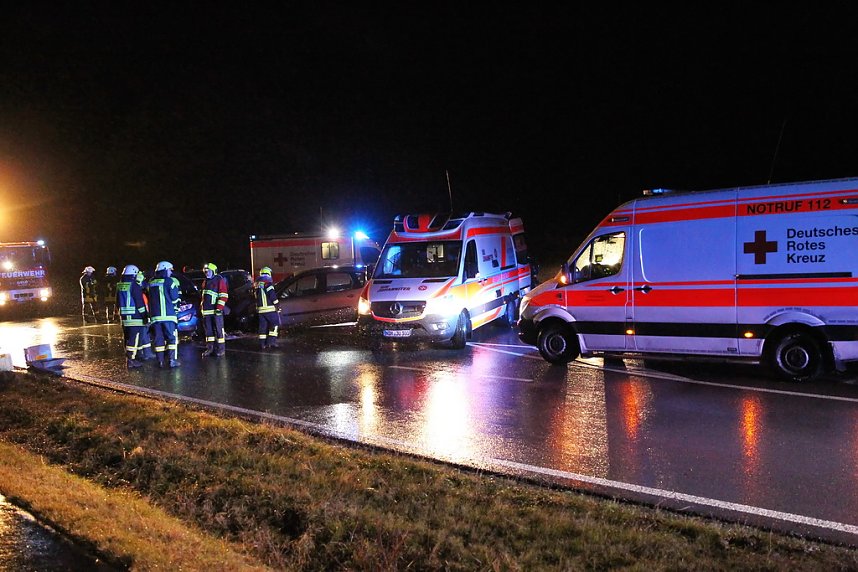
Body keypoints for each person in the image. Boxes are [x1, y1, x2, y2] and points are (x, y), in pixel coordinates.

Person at [147, 260, 182, 368]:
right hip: (168, 316)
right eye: (169, 270)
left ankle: (160, 362)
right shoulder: (170, 282)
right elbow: (175, 299)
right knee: (171, 338)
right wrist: (176, 312)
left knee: (158, 339)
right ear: (165, 270)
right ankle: (171, 361)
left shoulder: (151, 282)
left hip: (155, 318)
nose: (171, 273)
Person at [116, 265, 148, 368]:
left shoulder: (120, 285)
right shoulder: (134, 285)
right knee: (134, 339)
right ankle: (131, 360)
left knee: (127, 338)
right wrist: (145, 316)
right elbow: (139, 302)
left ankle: (131, 357)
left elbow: (117, 302)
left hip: (124, 317)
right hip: (135, 317)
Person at [200, 262, 229, 357]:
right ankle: (210, 348)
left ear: (214, 271)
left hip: (216, 311)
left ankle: (221, 350)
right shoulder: (205, 281)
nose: (207, 273)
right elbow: (203, 297)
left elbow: (224, 295)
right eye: (205, 271)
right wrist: (202, 308)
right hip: (207, 311)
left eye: (208, 271)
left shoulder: (219, 280)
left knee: (219, 331)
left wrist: (219, 308)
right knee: (209, 332)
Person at [254, 266, 280, 349]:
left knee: (263, 327)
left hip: (261, 310)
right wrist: (277, 305)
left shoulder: (258, 285)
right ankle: (271, 342)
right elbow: (272, 296)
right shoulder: (268, 284)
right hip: (269, 309)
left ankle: (262, 344)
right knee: (275, 324)